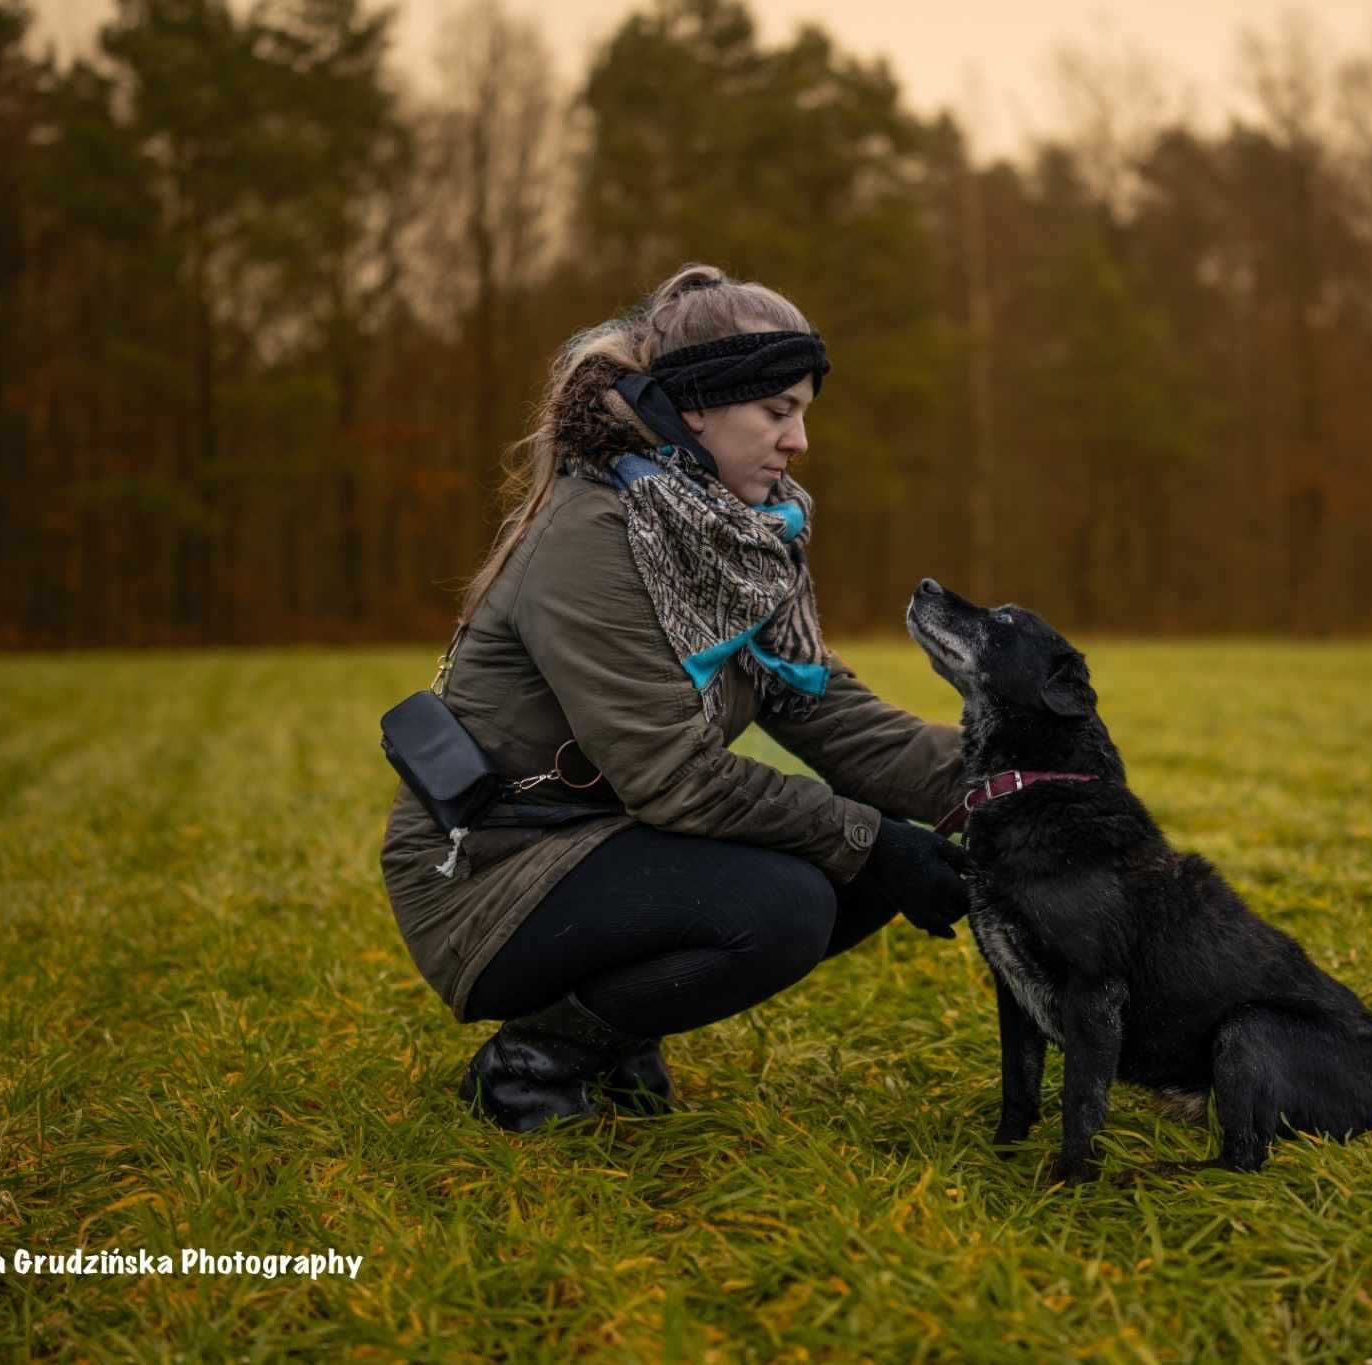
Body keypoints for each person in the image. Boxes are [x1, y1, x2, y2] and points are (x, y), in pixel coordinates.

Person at [379, 263, 970, 1132]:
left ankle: (617, 1032)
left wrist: (1013, 775)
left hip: (608, 841)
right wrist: (870, 838)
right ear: (696, 407)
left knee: (866, 860)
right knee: (794, 900)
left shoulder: (732, 536)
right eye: (777, 412)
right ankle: (535, 1064)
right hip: (490, 875)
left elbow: (825, 710)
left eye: (803, 412)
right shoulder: (593, 539)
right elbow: (672, 777)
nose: (799, 441)